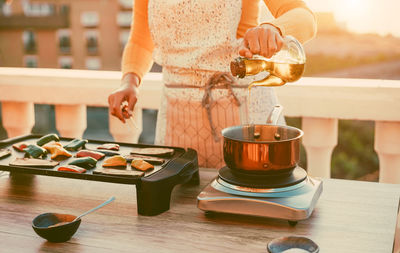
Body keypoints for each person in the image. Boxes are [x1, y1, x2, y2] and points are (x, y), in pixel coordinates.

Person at [108, 0, 316, 168]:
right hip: (175, 119)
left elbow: (305, 17)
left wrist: (274, 28)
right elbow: (141, 38)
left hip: (245, 115)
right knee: (177, 211)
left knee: (252, 206)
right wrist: (130, 80)